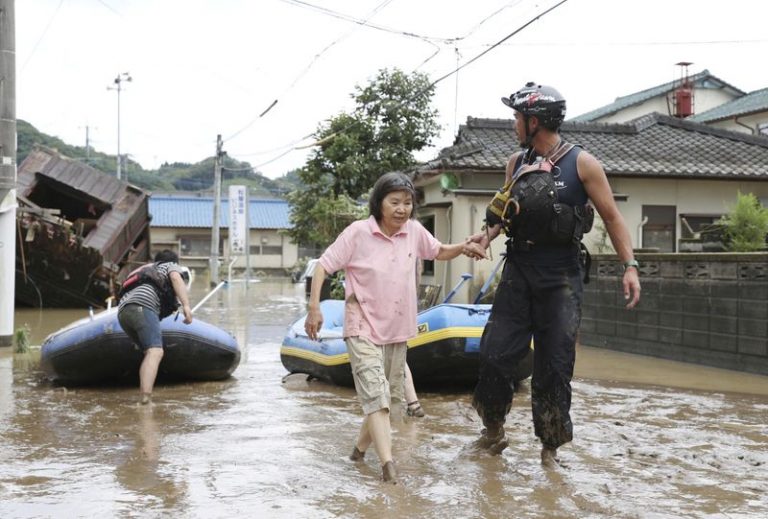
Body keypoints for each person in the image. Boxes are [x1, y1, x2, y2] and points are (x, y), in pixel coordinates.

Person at [466, 82, 641, 466]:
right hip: (518, 270)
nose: (513, 123)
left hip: (562, 276)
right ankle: (493, 432)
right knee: (495, 355)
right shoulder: (515, 163)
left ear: (535, 121)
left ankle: (550, 450)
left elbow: (612, 217)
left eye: (517, 117)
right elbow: (504, 212)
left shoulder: (583, 164)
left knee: (555, 365)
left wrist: (630, 266)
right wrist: (485, 235)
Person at [305, 172, 485, 484]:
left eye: (407, 203)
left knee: (385, 395)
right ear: (379, 203)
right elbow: (323, 265)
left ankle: (358, 453)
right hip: (360, 322)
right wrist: (314, 307)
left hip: (397, 327)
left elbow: (438, 250)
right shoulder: (358, 233)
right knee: (376, 394)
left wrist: (464, 247)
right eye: (394, 202)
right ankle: (388, 467)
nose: (402, 209)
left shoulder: (414, 231)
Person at [117, 250, 193, 404]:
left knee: (148, 352)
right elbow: (175, 277)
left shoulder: (145, 271)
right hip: (143, 305)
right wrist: (186, 305)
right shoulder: (170, 266)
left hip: (123, 312)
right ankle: (145, 399)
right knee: (155, 351)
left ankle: (144, 392)